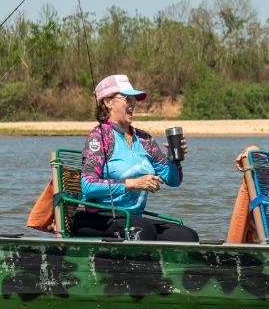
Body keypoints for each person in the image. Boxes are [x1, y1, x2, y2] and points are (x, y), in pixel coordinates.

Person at [75, 74, 200, 242]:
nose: (132, 103)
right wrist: (133, 183)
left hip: (131, 218)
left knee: (188, 236)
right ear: (108, 101)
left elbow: (173, 181)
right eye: (127, 98)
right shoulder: (99, 137)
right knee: (144, 230)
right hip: (95, 217)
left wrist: (173, 159)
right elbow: (87, 185)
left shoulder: (144, 139)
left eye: (133, 99)